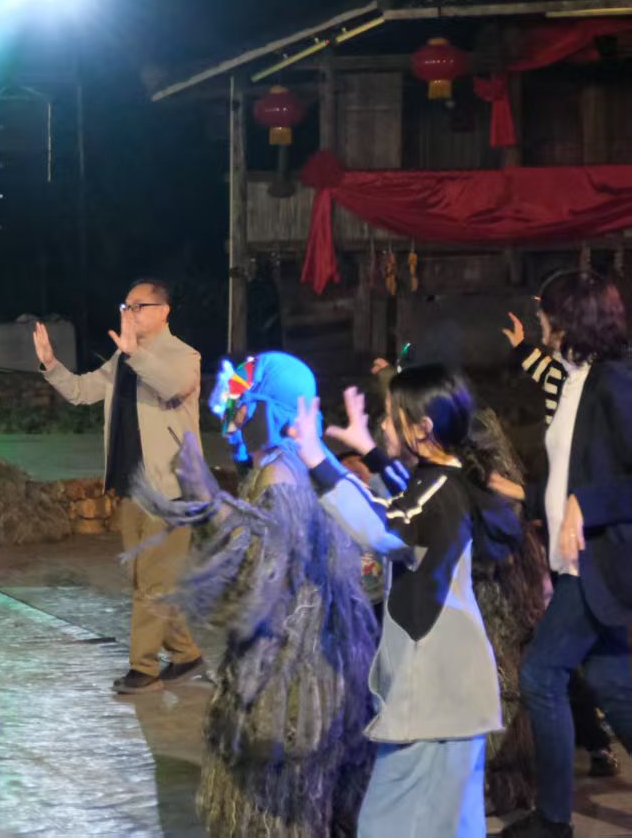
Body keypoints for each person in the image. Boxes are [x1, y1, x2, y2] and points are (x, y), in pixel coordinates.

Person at [133, 351, 377, 838]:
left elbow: (258, 574)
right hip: (319, 666)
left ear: (273, 410)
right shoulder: (307, 465)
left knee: (278, 808)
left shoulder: (282, 476)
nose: (235, 416)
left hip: (287, 680)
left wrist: (205, 498)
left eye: (246, 404)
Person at [300, 370, 521, 837]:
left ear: (422, 429)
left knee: (389, 824)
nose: (383, 423)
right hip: (451, 694)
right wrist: (371, 452)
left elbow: (386, 527)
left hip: (437, 693)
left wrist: (318, 459)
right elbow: (410, 498)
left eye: (390, 416)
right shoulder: (444, 481)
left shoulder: (440, 493)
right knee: (451, 825)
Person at [503, 270, 632, 838]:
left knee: (541, 673)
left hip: (597, 562)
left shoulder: (615, 382)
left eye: (545, 316)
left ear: (567, 320)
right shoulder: (574, 378)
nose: (539, 324)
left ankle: (553, 821)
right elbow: (572, 472)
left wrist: (588, 503)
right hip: (575, 561)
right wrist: (524, 495)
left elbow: (604, 485)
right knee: (611, 684)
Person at [33, 278, 204, 693]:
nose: (129, 313)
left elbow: (171, 386)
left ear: (164, 312)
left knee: (153, 583)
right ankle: (186, 655)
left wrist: (135, 354)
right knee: (147, 580)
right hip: (132, 488)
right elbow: (81, 392)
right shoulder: (122, 359)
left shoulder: (184, 356)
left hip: (170, 490)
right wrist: (51, 365)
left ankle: (143, 669)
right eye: (125, 306)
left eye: (138, 306)